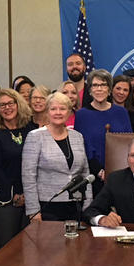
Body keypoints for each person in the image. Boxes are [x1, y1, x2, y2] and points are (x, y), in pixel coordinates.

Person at [23, 92, 91, 222]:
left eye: (62, 108)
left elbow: (85, 173)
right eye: (53, 109)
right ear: (47, 112)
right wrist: (33, 211)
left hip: (76, 204)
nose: (58, 112)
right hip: (48, 205)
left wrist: (88, 202)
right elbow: (28, 176)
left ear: (69, 112)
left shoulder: (78, 136)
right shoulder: (35, 136)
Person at [0, 89, 34, 248]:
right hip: (7, 198)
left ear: (18, 104)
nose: (7, 108)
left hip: (31, 195)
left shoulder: (30, 128)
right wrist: (15, 194)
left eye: (10, 103)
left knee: (30, 244)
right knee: (7, 245)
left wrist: (27, 193)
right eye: (2, 105)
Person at [74, 69, 132, 194]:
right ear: (90, 89)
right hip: (93, 177)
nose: (99, 89)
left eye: (103, 85)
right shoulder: (81, 115)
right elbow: (82, 148)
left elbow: (128, 143)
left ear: (109, 89)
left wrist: (116, 170)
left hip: (121, 174)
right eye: (95, 85)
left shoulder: (121, 113)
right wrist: (100, 171)